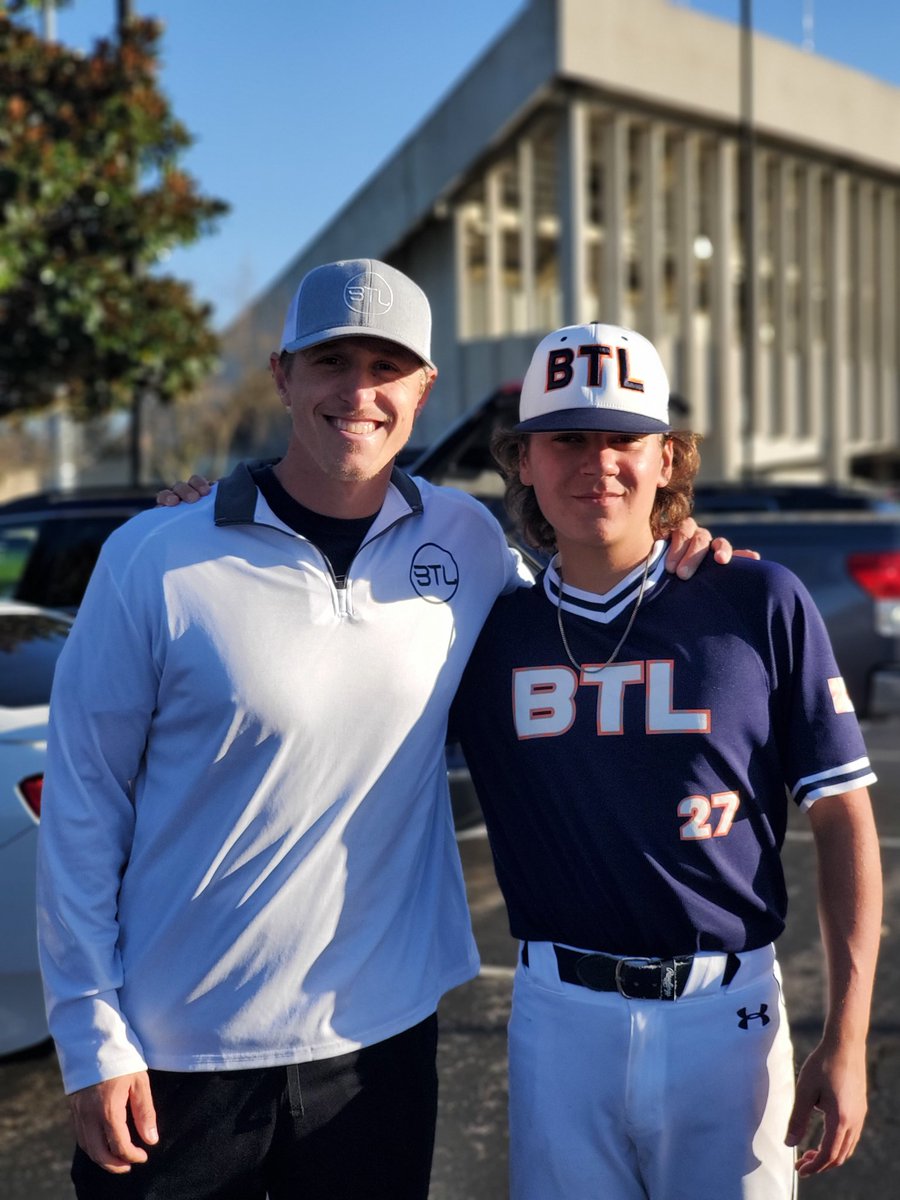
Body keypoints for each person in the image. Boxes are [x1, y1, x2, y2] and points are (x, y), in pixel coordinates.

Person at [36, 260, 732, 1200]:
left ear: (423, 389)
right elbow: (83, 805)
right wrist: (89, 1035)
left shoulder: (470, 542)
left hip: (377, 1053)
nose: (359, 393)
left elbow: (589, 610)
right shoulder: (156, 556)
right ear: (283, 375)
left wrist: (680, 550)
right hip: (175, 1060)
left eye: (387, 366)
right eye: (333, 362)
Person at [449, 322, 883, 1199]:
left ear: (667, 460)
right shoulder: (483, 631)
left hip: (728, 1017)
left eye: (623, 440)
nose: (596, 463)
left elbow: (843, 816)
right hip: (556, 1020)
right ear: (523, 461)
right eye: (567, 438)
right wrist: (210, 512)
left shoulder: (755, 599)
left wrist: (846, 1037)